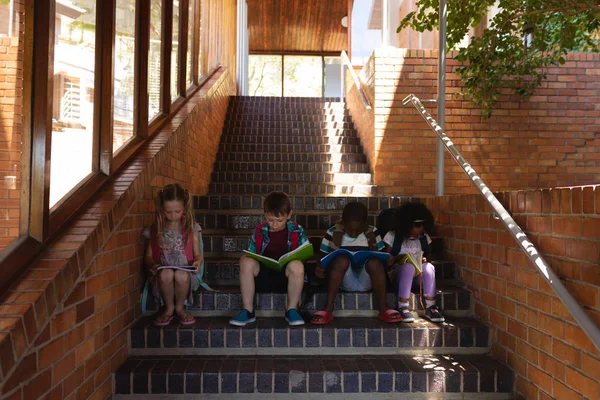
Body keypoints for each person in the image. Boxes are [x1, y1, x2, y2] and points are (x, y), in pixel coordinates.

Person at [311, 202, 402, 325]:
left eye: (357, 231)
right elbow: (322, 259)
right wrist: (320, 268)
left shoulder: (373, 232)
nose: (353, 234)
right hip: (343, 280)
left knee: (374, 262)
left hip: (366, 280)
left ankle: (383, 308)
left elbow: (382, 259)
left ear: (365, 224)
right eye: (349, 229)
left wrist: (388, 260)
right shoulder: (333, 232)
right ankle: (328, 308)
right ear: (343, 221)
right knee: (341, 259)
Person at [229, 191, 308, 327]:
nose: (275, 225)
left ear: (289, 215)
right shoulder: (260, 231)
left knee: (297, 265)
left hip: (288, 277)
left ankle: (292, 309)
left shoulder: (297, 230)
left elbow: (304, 253)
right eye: (270, 220)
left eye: (279, 220)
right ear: (265, 214)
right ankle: (248, 310)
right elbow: (252, 254)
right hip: (263, 276)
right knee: (245, 261)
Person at [144, 183, 203, 326]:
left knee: (181, 275)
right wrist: (152, 265)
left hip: (186, 275)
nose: (173, 216)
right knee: (166, 273)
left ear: (184, 208)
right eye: (168, 212)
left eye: (177, 211)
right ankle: (169, 308)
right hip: (163, 275)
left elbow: (197, 255)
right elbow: (148, 256)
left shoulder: (191, 227)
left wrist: (197, 262)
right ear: (161, 209)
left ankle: (180, 307)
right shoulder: (156, 229)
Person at [383, 202, 445, 323]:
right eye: (409, 225)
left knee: (429, 267)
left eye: (418, 225)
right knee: (408, 267)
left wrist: (425, 260)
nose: (413, 229)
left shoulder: (423, 238)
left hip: (418, 278)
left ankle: (431, 306)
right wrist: (395, 258)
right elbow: (387, 261)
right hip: (399, 276)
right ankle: (403, 306)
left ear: (424, 225)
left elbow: (428, 256)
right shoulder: (393, 236)